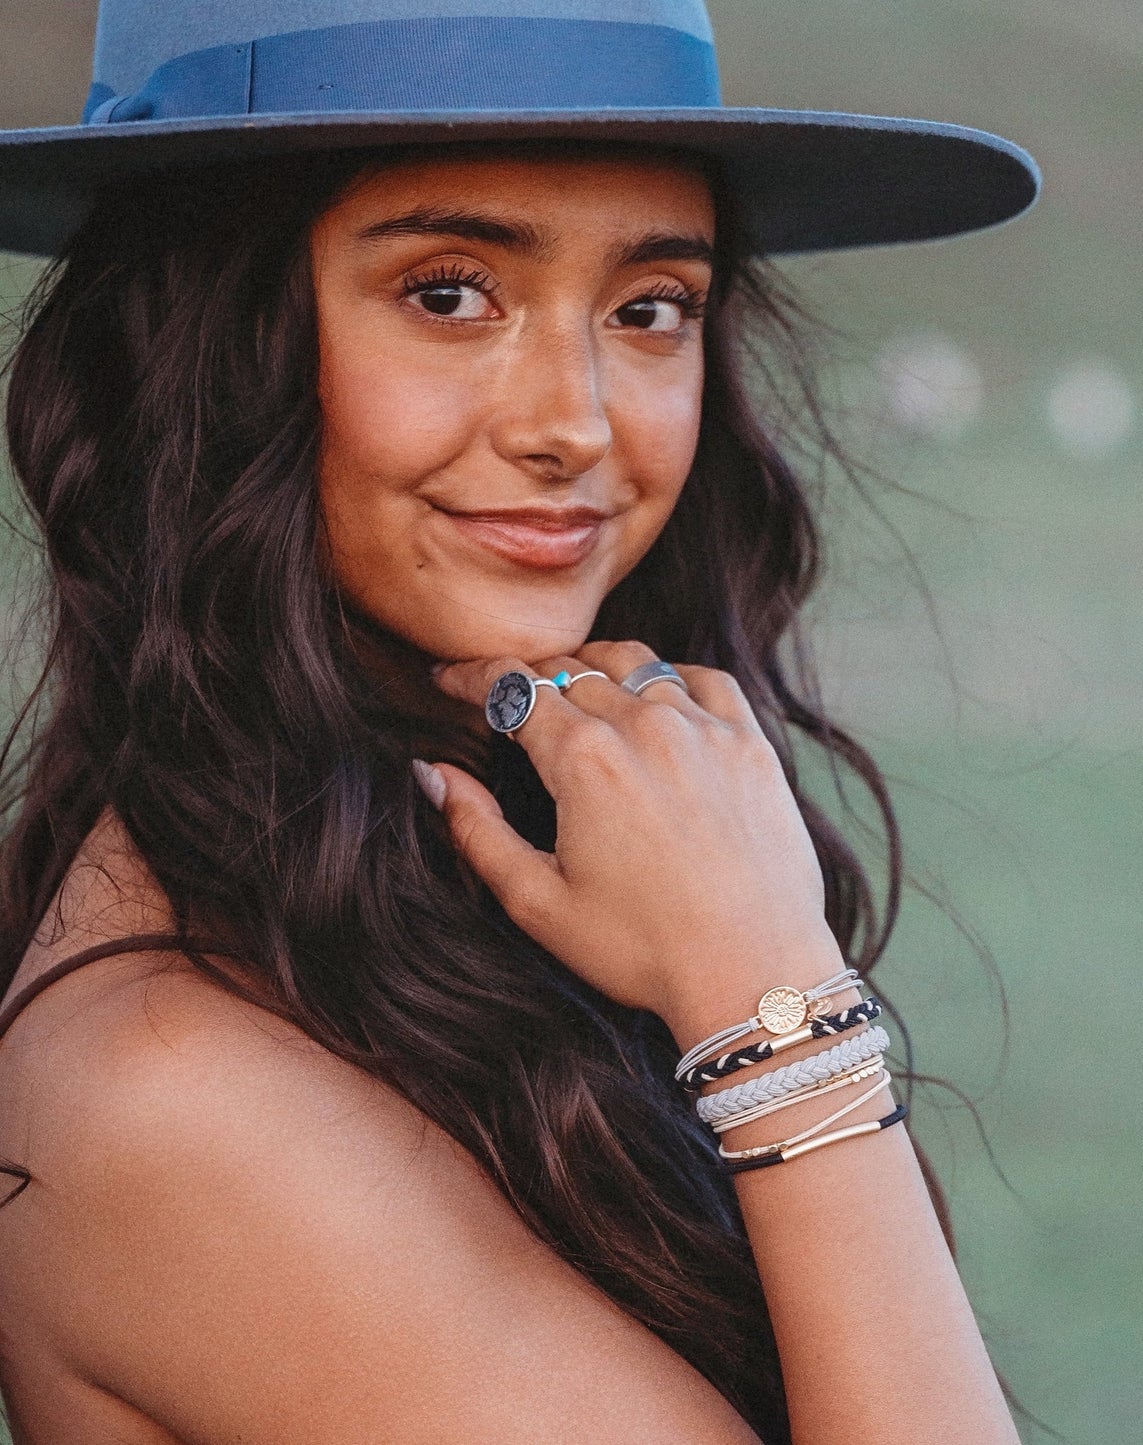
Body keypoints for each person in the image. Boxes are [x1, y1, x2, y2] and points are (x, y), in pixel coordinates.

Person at [0, 2, 1040, 1441]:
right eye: (449, 293)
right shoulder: (175, 1089)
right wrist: (773, 1004)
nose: (577, 422)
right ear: (201, 339)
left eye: (648, 307)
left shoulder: (442, 887)